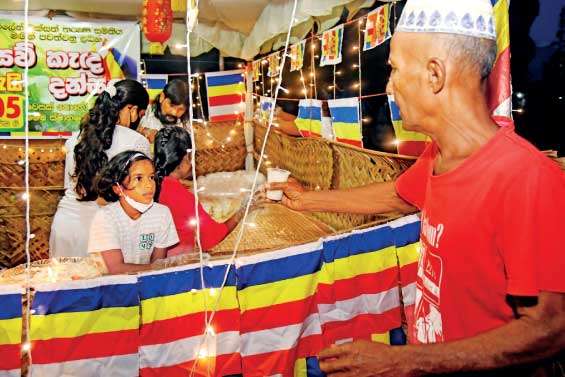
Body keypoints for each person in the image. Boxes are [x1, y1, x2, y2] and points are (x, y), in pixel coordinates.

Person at [271, 0, 565, 375]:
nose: (389, 86)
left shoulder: (526, 177)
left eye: (394, 69)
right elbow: (398, 194)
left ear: (434, 74)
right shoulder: (438, 156)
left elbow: (549, 328)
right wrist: (307, 201)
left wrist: (406, 362)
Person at [50, 80, 151, 258]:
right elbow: (139, 194)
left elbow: (70, 187)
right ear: (132, 109)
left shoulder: (75, 138)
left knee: (65, 284)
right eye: (140, 114)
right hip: (104, 232)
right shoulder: (136, 141)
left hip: (64, 226)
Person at [153, 127, 243, 255]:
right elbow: (215, 237)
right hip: (179, 263)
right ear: (186, 158)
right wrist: (244, 210)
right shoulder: (181, 196)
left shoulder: (154, 184)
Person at [88, 151, 178, 274]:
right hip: (111, 287)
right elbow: (116, 269)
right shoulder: (106, 217)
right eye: (139, 178)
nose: (149, 185)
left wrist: (159, 268)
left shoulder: (162, 213)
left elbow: (158, 264)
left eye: (151, 177)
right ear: (117, 188)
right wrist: (160, 268)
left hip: (146, 284)